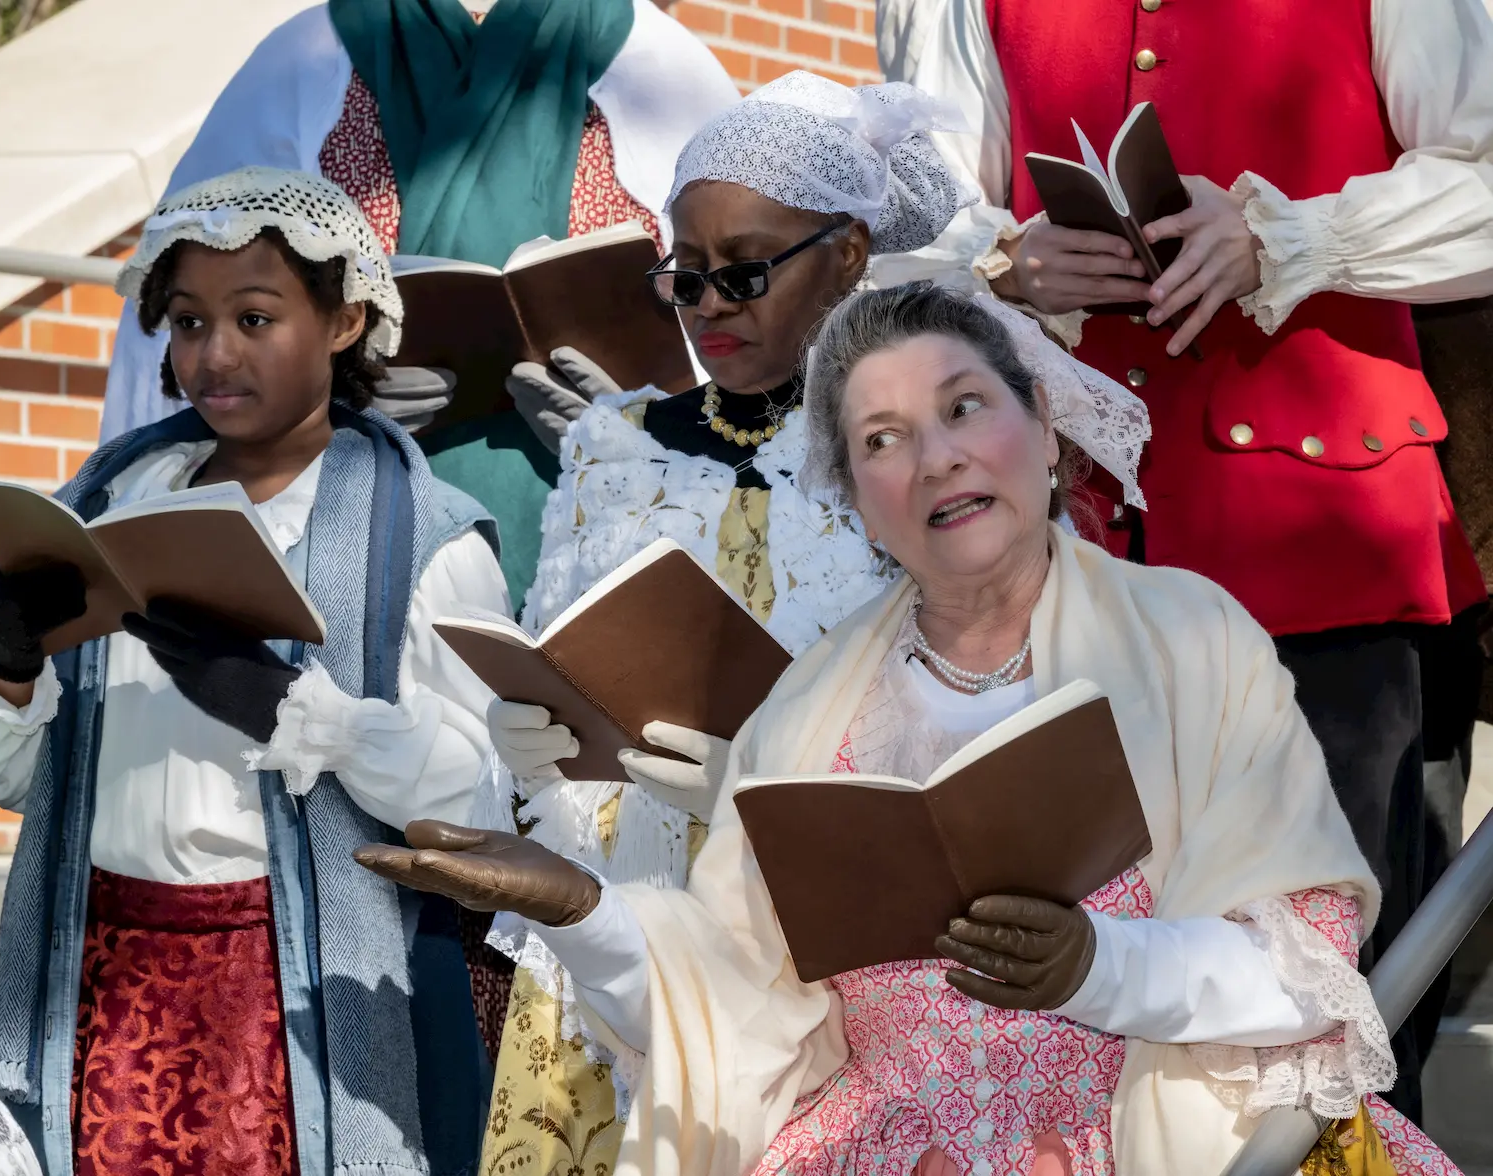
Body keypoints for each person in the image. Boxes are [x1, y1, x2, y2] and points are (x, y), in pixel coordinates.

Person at [356, 282, 1462, 1176]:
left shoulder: (1192, 641)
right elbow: (734, 1012)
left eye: (965, 408)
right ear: (855, 501)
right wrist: (582, 909)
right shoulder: (809, 708)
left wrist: (1097, 964)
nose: (936, 459)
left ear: (1042, 422)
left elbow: (1304, 974)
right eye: (883, 439)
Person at [446, 71, 1146, 1176]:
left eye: (745, 271)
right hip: (617, 917)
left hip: (825, 958)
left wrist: (760, 787)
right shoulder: (615, 445)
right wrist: (530, 750)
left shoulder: (917, 463)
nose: (711, 306)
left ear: (849, 254)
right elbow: (561, 648)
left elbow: (993, 720)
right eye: (685, 276)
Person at [874, 0, 1493, 1117]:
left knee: (1335, 991)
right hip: (1071, 559)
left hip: (1328, 550)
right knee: (1076, 992)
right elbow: (908, 215)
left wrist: (1289, 238)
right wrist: (1004, 264)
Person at [0, 168, 507, 1176]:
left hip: (294, 1003)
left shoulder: (427, 541)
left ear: (346, 321)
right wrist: (12, 676)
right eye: (188, 322)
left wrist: (293, 711)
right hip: (98, 979)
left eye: (255, 318)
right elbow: (28, 786)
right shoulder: (111, 501)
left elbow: (482, 804)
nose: (214, 354)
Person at [99, 0, 739, 615]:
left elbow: (754, 318)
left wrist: (652, 433)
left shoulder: (661, 70)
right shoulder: (300, 64)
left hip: (612, 550)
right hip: (332, 543)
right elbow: (186, 308)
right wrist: (318, 407)